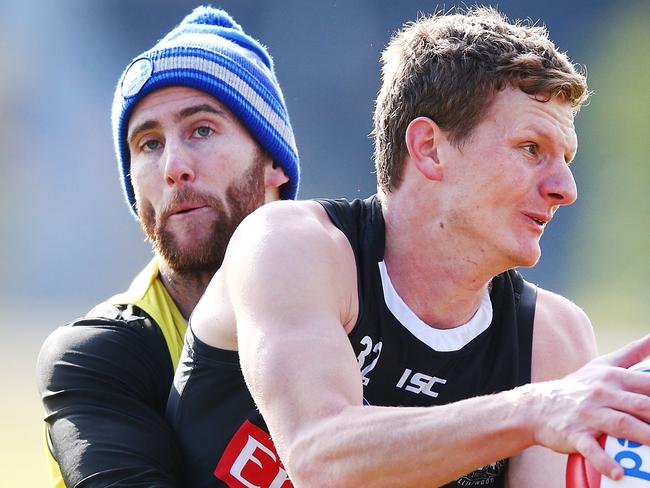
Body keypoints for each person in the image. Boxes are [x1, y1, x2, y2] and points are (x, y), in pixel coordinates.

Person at [166, 7, 650, 488]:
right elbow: (320, 456)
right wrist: (534, 407)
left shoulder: (552, 336)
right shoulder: (292, 246)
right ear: (428, 148)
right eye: (530, 148)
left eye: (565, 160)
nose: (566, 188)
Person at [35, 6, 299, 487]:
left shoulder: (372, 303)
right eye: (148, 144)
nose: (173, 166)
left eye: (201, 130)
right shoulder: (99, 356)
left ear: (273, 162)